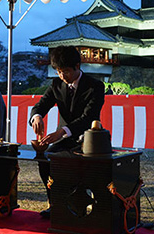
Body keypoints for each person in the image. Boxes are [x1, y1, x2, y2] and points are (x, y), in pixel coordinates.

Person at [29, 45, 105, 218]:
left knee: (70, 166)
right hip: (63, 139)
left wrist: (62, 131)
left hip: (88, 140)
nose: (62, 76)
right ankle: (54, 204)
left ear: (77, 66)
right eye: (58, 72)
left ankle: (76, 206)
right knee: (45, 161)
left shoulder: (95, 86)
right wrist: (37, 117)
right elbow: (40, 105)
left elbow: (89, 117)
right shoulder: (57, 84)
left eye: (66, 71)